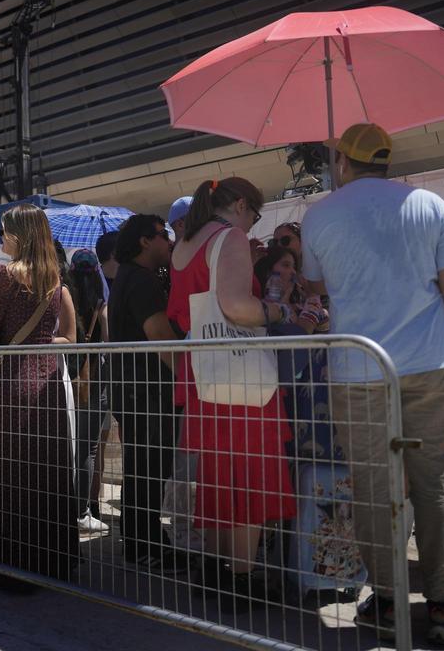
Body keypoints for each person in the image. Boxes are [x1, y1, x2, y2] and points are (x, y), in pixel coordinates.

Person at [301, 122, 444, 645]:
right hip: (430, 365)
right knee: (434, 487)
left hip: (358, 370)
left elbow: (316, 286)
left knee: (376, 492)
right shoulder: (428, 205)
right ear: (384, 160)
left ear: (342, 163)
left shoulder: (320, 215)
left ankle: (383, 602)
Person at [167, 177, 296, 611]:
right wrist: (279, 311)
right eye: (254, 214)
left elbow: (183, 310)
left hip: (204, 374)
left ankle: (216, 571)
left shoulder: (184, 244)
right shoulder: (232, 237)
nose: (252, 223)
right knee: (249, 476)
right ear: (240, 204)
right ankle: (243, 579)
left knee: (218, 475)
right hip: (243, 376)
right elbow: (236, 305)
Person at [0, 203, 80, 590]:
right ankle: (54, 561)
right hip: (48, 384)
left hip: (14, 386)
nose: (1, 239)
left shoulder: (2, 274)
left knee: (13, 475)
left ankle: (14, 566)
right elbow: (70, 338)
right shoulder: (56, 282)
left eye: (4, 232)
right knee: (49, 472)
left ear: (18, 234)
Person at [108, 214, 186, 571]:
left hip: (135, 390)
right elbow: (160, 337)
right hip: (147, 392)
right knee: (150, 469)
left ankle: (142, 540)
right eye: (162, 235)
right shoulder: (142, 281)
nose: (168, 242)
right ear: (144, 240)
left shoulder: (128, 276)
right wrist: (187, 377)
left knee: (142, 469)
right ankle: (145, 545)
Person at [66, 247, 111, 534]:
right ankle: (82, 511)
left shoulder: (66, 298)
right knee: (88, 448)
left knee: (67, 447)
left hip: (69, 378)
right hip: (95, 380)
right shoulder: (101, 303)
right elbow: (109, 342)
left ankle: (63, 508)